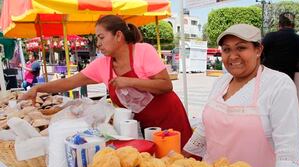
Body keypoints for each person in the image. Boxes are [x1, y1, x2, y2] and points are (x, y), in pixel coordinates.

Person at [21, 15, 192, 147]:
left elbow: (165, 85)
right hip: (143, 126)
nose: (99, 44)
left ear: (118, 36)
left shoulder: (143, 51)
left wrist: (130, 82)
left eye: (102, 38)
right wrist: (38, 88)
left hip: (171, 120)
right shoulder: (102, 65)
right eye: (97, 39)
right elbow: (71, 82)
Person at [183, 24, 299, 167]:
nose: (233, 56)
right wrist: (181, 157)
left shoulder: (279, 84)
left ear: (258, 50)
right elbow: (205, 127)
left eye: (241, 48)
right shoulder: (221, 82)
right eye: (226, 49)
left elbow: (287, 142)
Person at [261, 12, 299, 80]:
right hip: (288, 80)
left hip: (268, 79)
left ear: (279, 24)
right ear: (293, 25)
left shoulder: (269, 36)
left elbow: (259, 55)